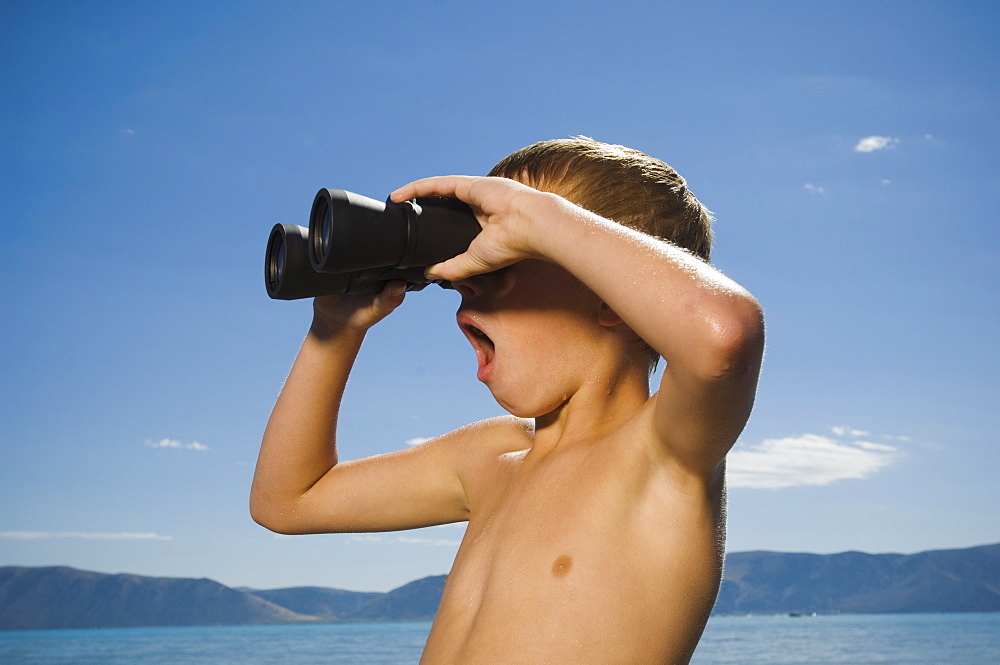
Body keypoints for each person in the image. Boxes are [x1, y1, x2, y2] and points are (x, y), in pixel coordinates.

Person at [250, 137, 765, 664]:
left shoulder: (659, 455)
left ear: (611, 295)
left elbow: (724, 336)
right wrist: (333, 331)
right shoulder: (490, 459)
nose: (469, 283)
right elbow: (288, 501)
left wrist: (539, 220)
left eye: (510, 256)